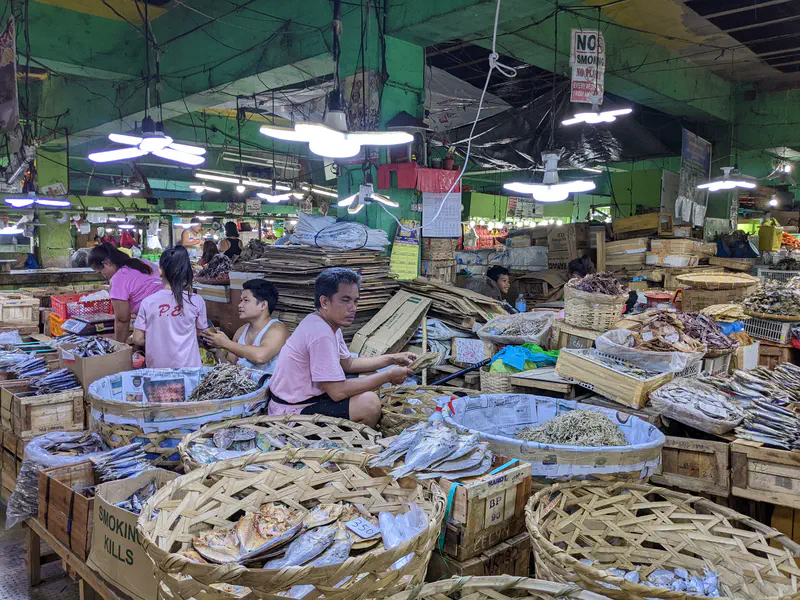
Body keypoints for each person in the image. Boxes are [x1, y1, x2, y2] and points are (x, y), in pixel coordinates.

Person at [267, 268, 415, 427]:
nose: (353, 308)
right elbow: (337, 392)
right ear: (324, 302)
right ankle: (355, 446)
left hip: (309, 399)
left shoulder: (325, 323)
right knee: (369, 403)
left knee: (369, 377)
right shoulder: (320, 333)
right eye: (345, 300)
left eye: (355, 301)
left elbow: (349, 364)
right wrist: (388, 376)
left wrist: (392, 359)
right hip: (292, 414)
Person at [132, 246, 208, 369]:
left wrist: (157, 338)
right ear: (187, 272)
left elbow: (137, 339)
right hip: (190, 370)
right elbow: (201, 332)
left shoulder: (148, 302)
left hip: (158, 371)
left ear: (160, 271)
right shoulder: (196, 300)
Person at [202, 279, 289, 374]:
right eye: (241, 300)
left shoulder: (277, 329)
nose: (240, 305)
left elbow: (261, 356)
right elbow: (230, 368)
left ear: (263, 305)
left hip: (270, 388)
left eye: (246, 300)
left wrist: (225, 343)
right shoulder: (241, 331)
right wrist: (217, 351)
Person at [88, 242, 164, 342]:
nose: (103, 275)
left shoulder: (118, 278)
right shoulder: (142, 263)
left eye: (101, 271)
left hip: (156, 320)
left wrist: (119, 347)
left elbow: (122, 319)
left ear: (107, 263)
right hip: (171, 312)